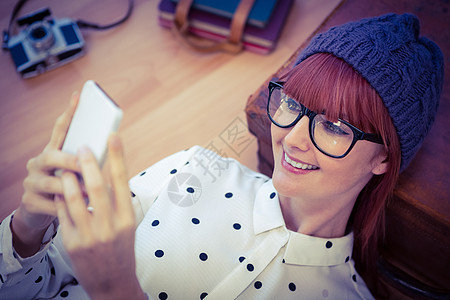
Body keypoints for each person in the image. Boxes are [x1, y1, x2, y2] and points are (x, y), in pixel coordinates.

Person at [0, 13, 443, 300]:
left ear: (383, 158)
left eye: (333, 126)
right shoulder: (195, 170)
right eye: (291, 103)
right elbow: (33, 283)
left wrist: (116, 288)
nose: (292, 139)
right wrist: (26, 230)